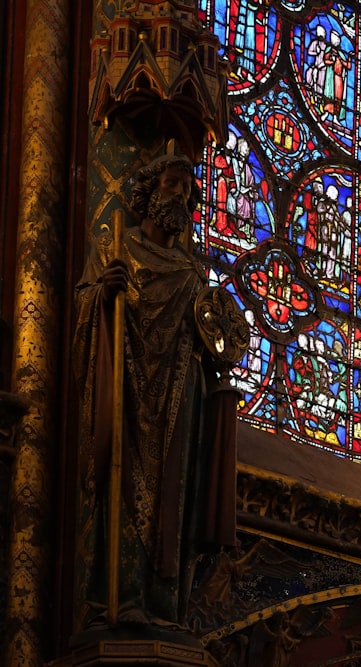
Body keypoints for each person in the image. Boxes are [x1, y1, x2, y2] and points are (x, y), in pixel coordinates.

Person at [72, 155, 244, 638]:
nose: (182, 197)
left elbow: (213, 336)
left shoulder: (192, 269)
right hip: (127, 379)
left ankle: (166, 605)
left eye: (188, 191)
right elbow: (83, 310)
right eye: (173, 185)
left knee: (176, 490)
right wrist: (103, 295)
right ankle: (122, 597)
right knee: (124, 481)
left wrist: (222, 349)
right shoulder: (116, 248)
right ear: (151, 191)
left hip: (178, 390)